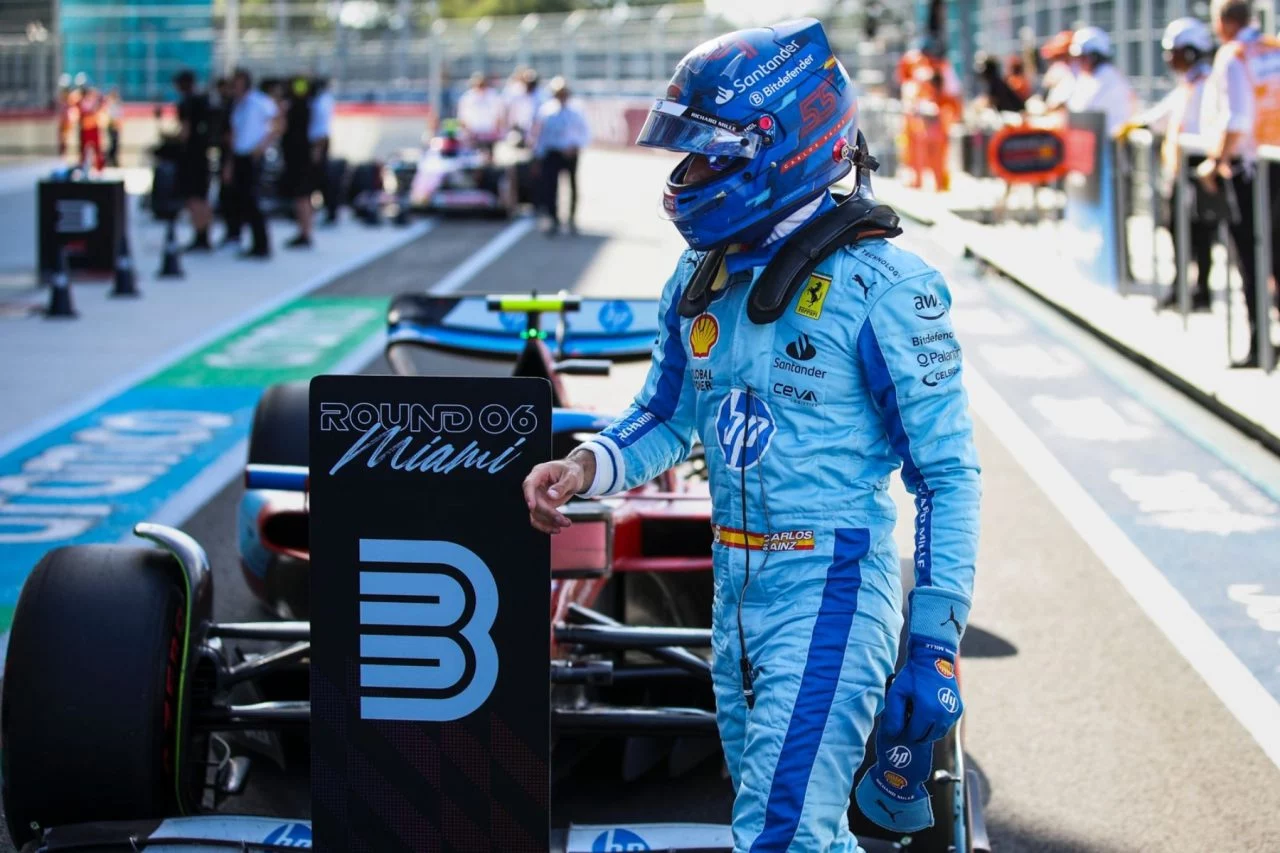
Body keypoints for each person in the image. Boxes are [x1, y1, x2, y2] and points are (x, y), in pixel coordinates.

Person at [522, 18, 980, 852]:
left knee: (779, 834)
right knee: (789, 826)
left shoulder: (887, 285)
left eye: (708, 154)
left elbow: (947, 476)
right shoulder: (700, 277)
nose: (688, 174)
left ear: (780, 146)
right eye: (686, 155)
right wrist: (584, 465)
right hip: (732, 591)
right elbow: (663, 416)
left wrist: (935, 638)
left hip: (830, 583)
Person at [1201, 0, 1280, 367]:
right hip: (1274, 164)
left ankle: (1259, 345)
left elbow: (1237, 120)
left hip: (1250, 169)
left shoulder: (1233, 56)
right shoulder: (1274, 49)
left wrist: (1216, 163)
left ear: (1226, 21)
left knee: (1250, 258)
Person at [1124, 18, 1217, 311]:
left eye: (1175, 52)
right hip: (1180, 168)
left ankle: (1199, 290)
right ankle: (1182, 288)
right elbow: (1163, 115)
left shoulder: (1207, 84)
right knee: (1178, 231)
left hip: (1197, 166)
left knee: (1199, 232)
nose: (1169, 59)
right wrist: (1137, 126)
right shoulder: (1189, 84)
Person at [225, 68, 280, 259]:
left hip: (253, 156)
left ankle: (262, 245)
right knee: (242, 200)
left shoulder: (259, 101)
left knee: (253, 199)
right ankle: (246, 239)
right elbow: (234, 135)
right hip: (240, 157)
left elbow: (278, 122)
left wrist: (263, 145)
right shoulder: (238, 105)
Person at [897, 37, 961, 191]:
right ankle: (931, 183)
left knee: (928, 153)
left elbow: (951, 94)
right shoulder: (933, 68)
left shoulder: (926, 68)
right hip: (928, 119)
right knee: (924, 153)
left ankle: (932, 183)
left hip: (932, 119)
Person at [530, 77, 590, 235]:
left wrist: (576, 146)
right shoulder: (546, 111)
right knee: (551, 187)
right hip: (553, 153)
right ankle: (553, 219)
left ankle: (571, 219)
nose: (561, 96)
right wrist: (538, 155)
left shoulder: (576, 111)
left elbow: (585, 132)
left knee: (572, 186)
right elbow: (541, 136)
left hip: (570, 153)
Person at [172, 70, 215, 251]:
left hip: (191, 157)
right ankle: (204, 235)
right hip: (202, 155)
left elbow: (185, 131)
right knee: (202, 197)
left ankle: (200, 235)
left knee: (194, 198)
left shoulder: (188, 103)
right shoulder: (204, 101)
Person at [1065, 27, 1136, 136]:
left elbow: (1080, 111)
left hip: (1107, 146)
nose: (1078, 62)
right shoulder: (1092, 77)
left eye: (1081, 57)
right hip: (1096, 142)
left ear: (1093, 57)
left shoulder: (1106, 78)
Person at [281, 76, 315, 248]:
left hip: (298, 158)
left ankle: (305, 232)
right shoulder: (306, 106)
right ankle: (305, 231)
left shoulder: (295, 108)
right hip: (300, 156)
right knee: (303, 196)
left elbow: (283, 127)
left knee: (301, 196)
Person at [309, 77, 337, 225]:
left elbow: (320, 127)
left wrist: (317, 149)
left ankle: (330, 210)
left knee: (322, 178)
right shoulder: (323, 100)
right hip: (319, 141)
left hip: (319, 142)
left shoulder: (322, 101)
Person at [456, 72, 505, 153]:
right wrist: (468, 132)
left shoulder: (493, 95)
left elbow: (499, 115)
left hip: (490, 136)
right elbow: (462, 118)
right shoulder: (467, 97)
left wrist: (495, 131)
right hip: (473, 136)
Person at [1039, 30, 1077, 111]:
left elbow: (1059, 103)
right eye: (1057, 57)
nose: (1060, 61)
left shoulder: (1079, 74)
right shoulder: (1059, 69)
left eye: (1062, 56)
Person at [77, 84, 106, 172]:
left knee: (97, 149)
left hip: (93, 129)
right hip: (85, 130)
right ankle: (84, 168)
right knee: (84, 151)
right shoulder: (82, 102)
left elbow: (102, 101)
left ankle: (99, 168)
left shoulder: (95, 102)